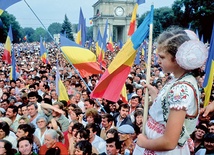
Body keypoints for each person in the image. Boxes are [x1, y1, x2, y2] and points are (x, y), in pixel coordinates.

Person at [135, 28, 208, 154]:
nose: (158, 61)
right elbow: (167, 110)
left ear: (177, 58)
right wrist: (155, 95)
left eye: (162, 57)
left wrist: (144, 143)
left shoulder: (181, 89)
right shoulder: (178, 79)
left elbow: (169, 141)